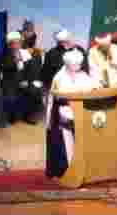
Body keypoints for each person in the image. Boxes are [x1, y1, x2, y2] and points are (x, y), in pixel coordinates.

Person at [46, 50, 97, 179]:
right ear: (67, 64)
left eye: (78, 64)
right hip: (63, 114)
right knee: (65, 145)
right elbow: (55, 97)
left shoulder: (83, 76)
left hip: (81, 113)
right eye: (74, 65)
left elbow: (93, 89)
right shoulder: (59, 77)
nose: (77, 67)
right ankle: (66, 172)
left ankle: (84, 170)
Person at [40, 30, 88, 94]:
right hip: (60, 88)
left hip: (77, 86)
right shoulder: (52, 53)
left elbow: (85, 67)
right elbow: (46, 73)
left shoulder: (79, 50)